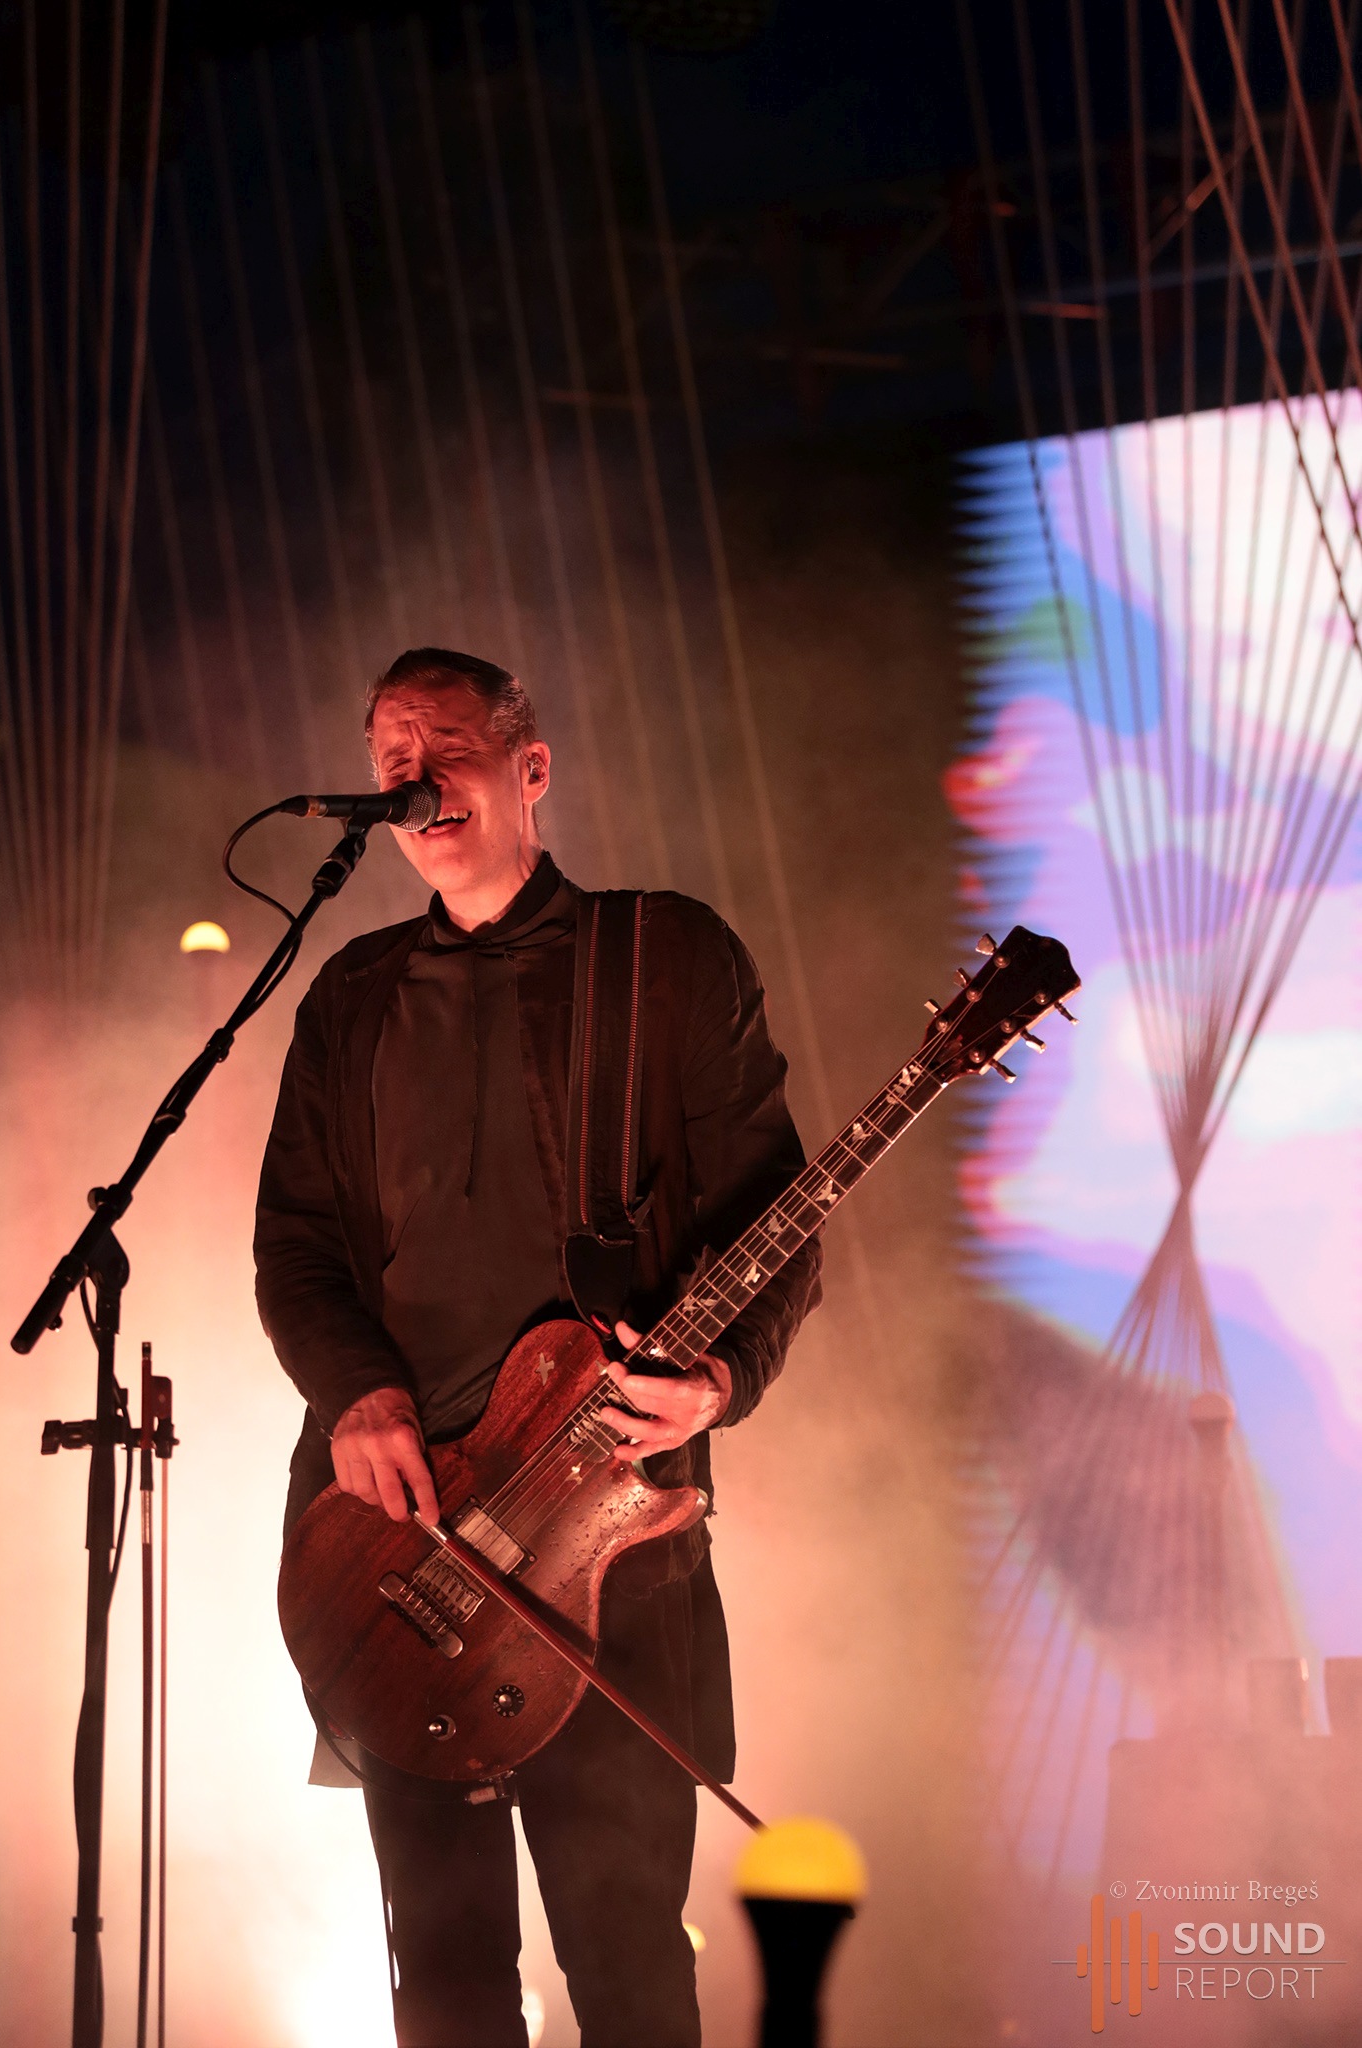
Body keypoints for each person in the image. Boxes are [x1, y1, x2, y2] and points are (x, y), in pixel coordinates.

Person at [254, 648, 821, 2048]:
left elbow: (780, 1213)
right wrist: (358, 1394)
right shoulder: (350, 995)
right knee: (444, 1989)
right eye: (391, 757)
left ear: (531, 767)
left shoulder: (663, 958)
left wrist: (719, 1380)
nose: (416, 777)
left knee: (629, 1975)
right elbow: (296, 1247)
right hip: (403, 1553)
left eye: (445, 744)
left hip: (604, 1554)